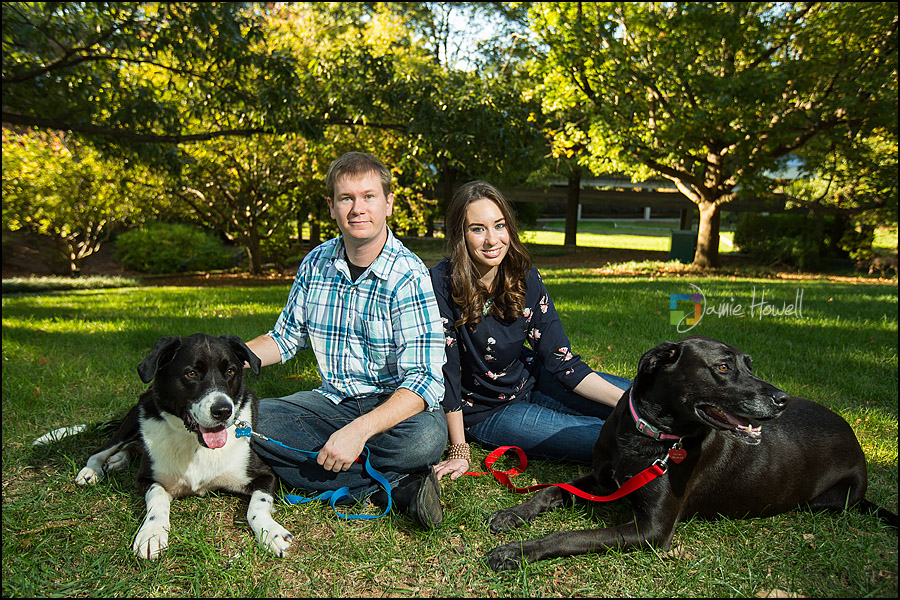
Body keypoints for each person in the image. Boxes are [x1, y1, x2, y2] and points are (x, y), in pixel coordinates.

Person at [246, 151, 447, 528]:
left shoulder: (408, 274)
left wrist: (358, 431)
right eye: (346, 198)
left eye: (369, 196)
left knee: (425, 440)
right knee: (252, 420)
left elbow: (425, 380)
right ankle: (397, 484)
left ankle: (320, 466)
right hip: (331, 403)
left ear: (388, 203)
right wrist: (230, 355)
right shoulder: (316, 262)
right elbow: (285, 338)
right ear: (332, 207)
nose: (358, 209)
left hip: (395, 410)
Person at [431, 181, 632, 481]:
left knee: (646, 401)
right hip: (487, 411)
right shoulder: (440, 284)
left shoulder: (525, 277)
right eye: (477, 229)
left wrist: (631, 404)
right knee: (610, 440)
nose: (492, 240)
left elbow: (562, 362)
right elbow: (448, 374)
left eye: (499, 225)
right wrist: (459, 448)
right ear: (461, 235)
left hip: (534, 378)